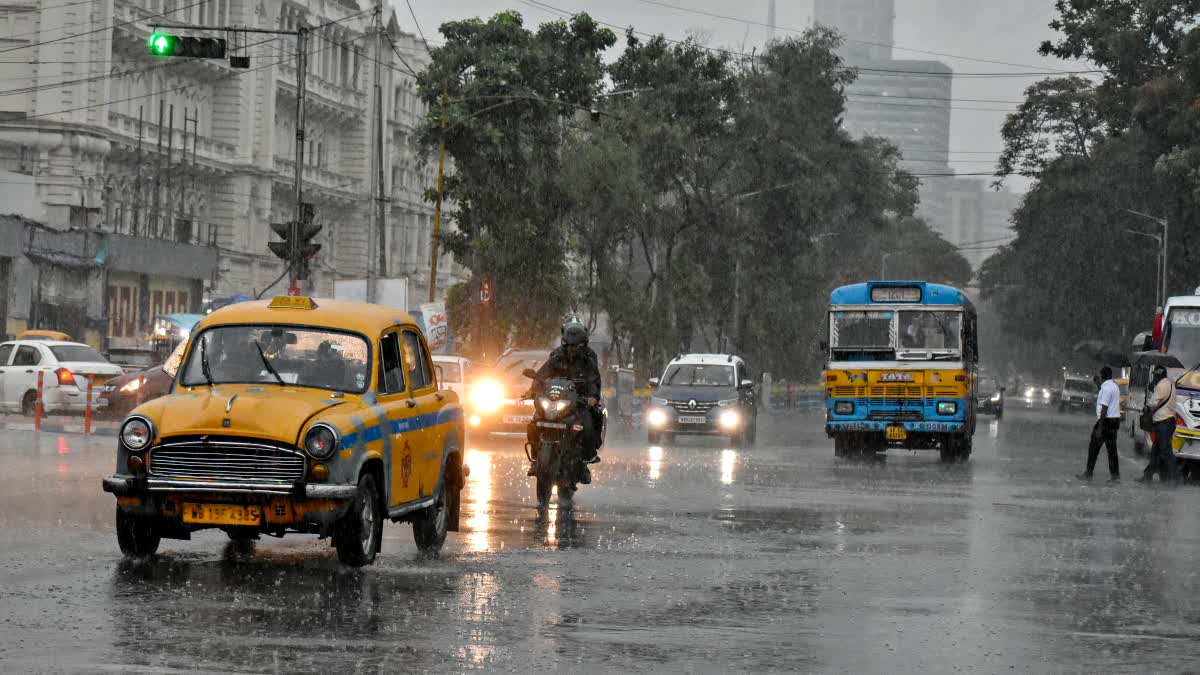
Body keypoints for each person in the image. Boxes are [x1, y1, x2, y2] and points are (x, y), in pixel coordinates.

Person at [525, 320, 603, 483]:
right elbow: (543, 374)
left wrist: (592, 397)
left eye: (575, 346)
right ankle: (536, 459)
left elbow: (594, 379)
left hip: (578, 402)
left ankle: (583, 463)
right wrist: (533, 390)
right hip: (556, 399)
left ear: (583, 345)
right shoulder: (556, 355)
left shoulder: (589, 358)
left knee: (588, 426)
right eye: (568, 345)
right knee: (534, 423)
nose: (571, 349)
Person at [1078, 366, 1122, 482]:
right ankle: (1115, 476)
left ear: (1103, 376)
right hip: (1115, 420)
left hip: (1106, 421)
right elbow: (1104, 396)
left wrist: (1100, 427)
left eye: (1100, 375)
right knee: (1112, 449)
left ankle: (1088, 473)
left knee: (1093, 447)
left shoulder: (1106, 388)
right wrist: (1098, 385)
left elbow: (1104, 407)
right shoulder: (1114, 386)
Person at [1137, 364, 1180, 484]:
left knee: (1166, 451)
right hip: (1169, 421)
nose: (1154, 378)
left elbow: (1152, 404)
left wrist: (1151, 393)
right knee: (1155, 452)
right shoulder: (1171, 384)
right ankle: (1148, 476)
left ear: (1159, 375)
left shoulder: (1161, 385)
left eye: (1155, 375)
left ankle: (1174, 478)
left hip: (1163, 423)